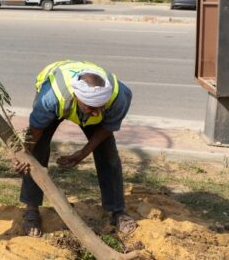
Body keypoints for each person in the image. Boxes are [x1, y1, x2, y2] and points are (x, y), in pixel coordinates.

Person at [13, 60, 137, 237]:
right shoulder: (51, 98)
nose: (96, 113)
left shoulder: (119, 97)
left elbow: (107, 128)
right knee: (37, 151)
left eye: (100, 107)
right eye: (91, 108)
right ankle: (31, 209)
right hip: (56, 90)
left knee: (109, 156)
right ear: (77, 97)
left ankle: (117, 211)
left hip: (87, 100)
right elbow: (35, 131)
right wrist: (24, 154)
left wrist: (82, 153)